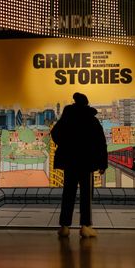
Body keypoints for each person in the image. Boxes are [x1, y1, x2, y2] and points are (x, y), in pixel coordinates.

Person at [51, 93, 108, 238]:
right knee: (86, 195)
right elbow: (101, 143)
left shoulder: (67, 118)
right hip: (86, 162)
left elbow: (55, 133)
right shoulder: (92, 120)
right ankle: (85, 226)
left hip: (70, 162)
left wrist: (64, 145)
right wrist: (102, 163)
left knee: (68, 194)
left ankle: (64, 227)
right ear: (86, 104)